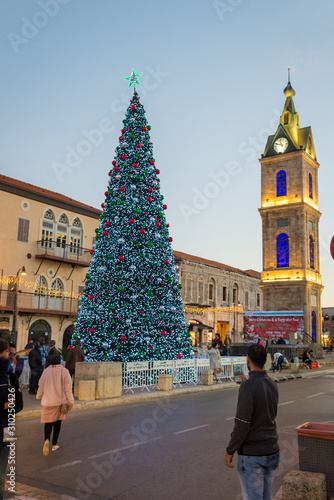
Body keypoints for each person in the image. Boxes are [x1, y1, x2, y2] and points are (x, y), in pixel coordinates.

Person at [225, 344, 280, 500]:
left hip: (253, 455)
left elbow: (242, 423)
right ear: (265, 361)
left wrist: (230, 450)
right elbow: (267, 411)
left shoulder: (248, 386)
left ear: (248, 360)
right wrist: (245, 383)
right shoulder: (272, 383)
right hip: (272, 451)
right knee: (265, 496)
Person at [36, 355, 74, 455]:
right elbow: (68, 388)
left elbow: (41, 385)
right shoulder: (64, 371)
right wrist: (71, 401)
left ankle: (46, 440)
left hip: (48, 402)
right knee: (57, 424)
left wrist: (38, 396)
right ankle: (54, 445)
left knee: (48, 423)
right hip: (60, 403)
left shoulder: (46, 371)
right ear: (60, 362)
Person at [0, 340, 11, 443]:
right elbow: (9, 372)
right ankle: (6, 432)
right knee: (6, 411)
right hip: (3, 388)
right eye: (7, 351)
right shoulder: (6, 362)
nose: (8, 354)